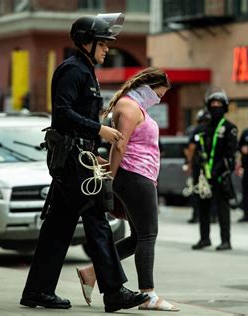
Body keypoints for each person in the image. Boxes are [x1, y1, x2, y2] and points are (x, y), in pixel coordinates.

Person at [19, 14, 149, 313]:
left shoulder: (85, 70)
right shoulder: (72, 70)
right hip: (71, 159)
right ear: (85, 42)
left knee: (58, 227)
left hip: (78, 158)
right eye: (102, 44)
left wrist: (94, 148)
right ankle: (114, 291)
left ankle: (37, 291)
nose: (107, 50)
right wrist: (98, 130)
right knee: (97, 219)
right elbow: (62, 113)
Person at [75, 67, 178, 311]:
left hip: (139, 176)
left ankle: (91, 272)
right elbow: (119, 146)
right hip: (135, 176)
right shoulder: (130, 107)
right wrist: (110, 174)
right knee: (148, 235)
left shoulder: (134, 106)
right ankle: (148, 295)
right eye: (159, 94)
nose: (159, 99)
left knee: (137, 237)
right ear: (147, 88)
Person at [189, 89, 238, 251]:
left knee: (223, 209)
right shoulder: (202, 129)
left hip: (220, 175)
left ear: (225, 107)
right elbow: (194, 150)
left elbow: (230, 155)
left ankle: (226, 240)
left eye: (219, 105)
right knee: (203, 208)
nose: (216, 107)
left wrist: (219, 171)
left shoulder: (230, 128)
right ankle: (204, 238)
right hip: (203, 176)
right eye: (213, 104)